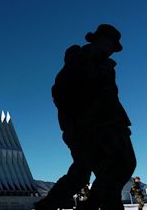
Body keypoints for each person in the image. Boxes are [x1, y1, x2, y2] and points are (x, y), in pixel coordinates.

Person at [35, 24, 136, 210]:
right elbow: (61, 93)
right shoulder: (80, 59)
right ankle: (86, 205)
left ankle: (52, 205)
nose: (111, 48)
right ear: (98, 39)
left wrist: (119, 123)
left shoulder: (104, 65)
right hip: (91, 127)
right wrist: (81, 122)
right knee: (119, 165)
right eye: (109, 42)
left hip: (107, 124)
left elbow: (110, 98)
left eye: (114, 46)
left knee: (89, 171)